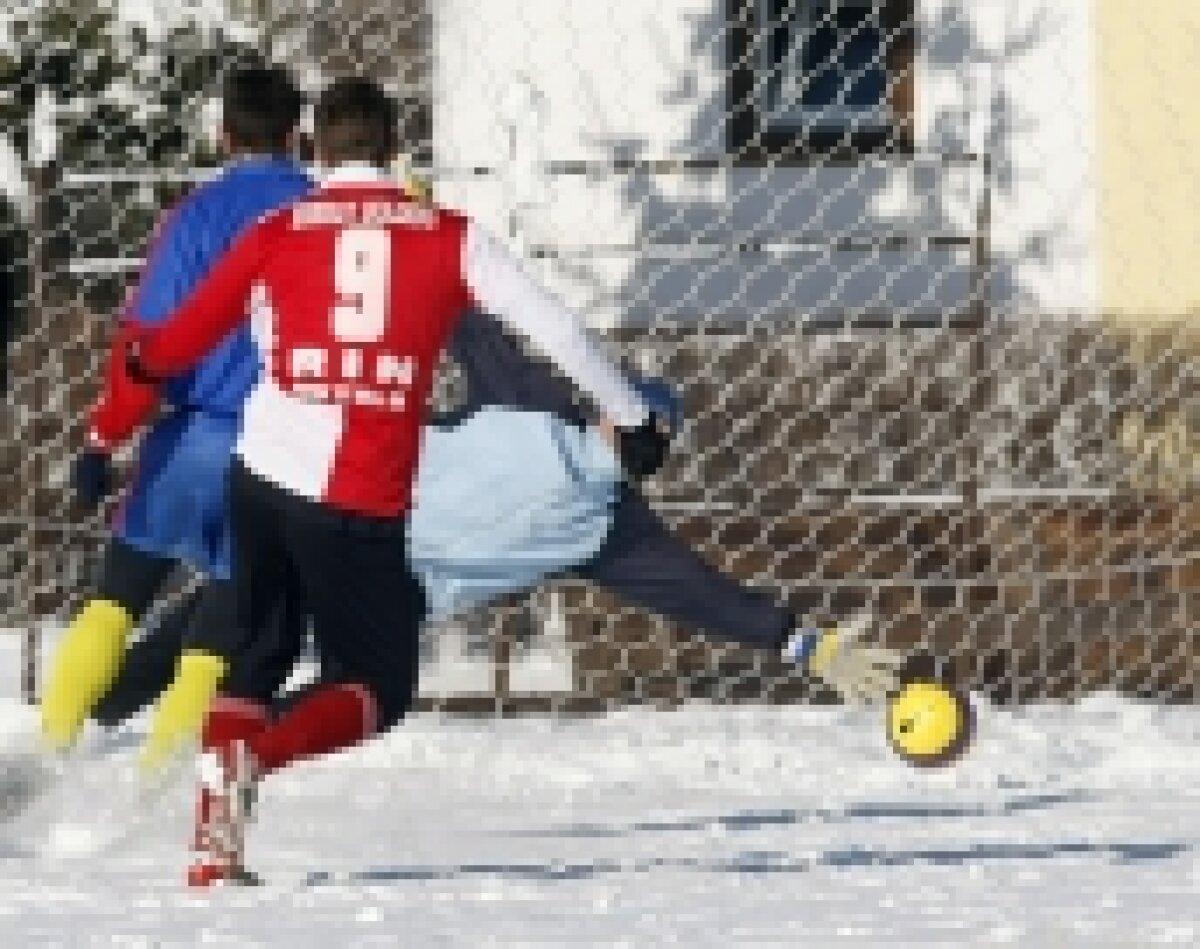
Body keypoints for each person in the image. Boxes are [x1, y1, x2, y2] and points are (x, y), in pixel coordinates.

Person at [124, 77, 666, 801]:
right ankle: (253, 761)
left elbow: (185, 332)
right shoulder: (451, 237)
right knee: (377, 680)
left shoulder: (277, 231)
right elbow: (559, 331)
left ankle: (211, 841)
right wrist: (630, 417)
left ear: (314, 149)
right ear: (396, 150)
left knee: (254, 655)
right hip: (357, 493)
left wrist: (144, 363)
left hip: (263, 475)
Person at [38, 65, 313, 753]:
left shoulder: (193, 216)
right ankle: (157, 784)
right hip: (286, 447)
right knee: (224, 619)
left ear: (224, 136)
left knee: (115, 600)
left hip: (191, 437)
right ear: (297, 137)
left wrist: (104, 438)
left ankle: (49, 751)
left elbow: (146, 342)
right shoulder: (322, 214)